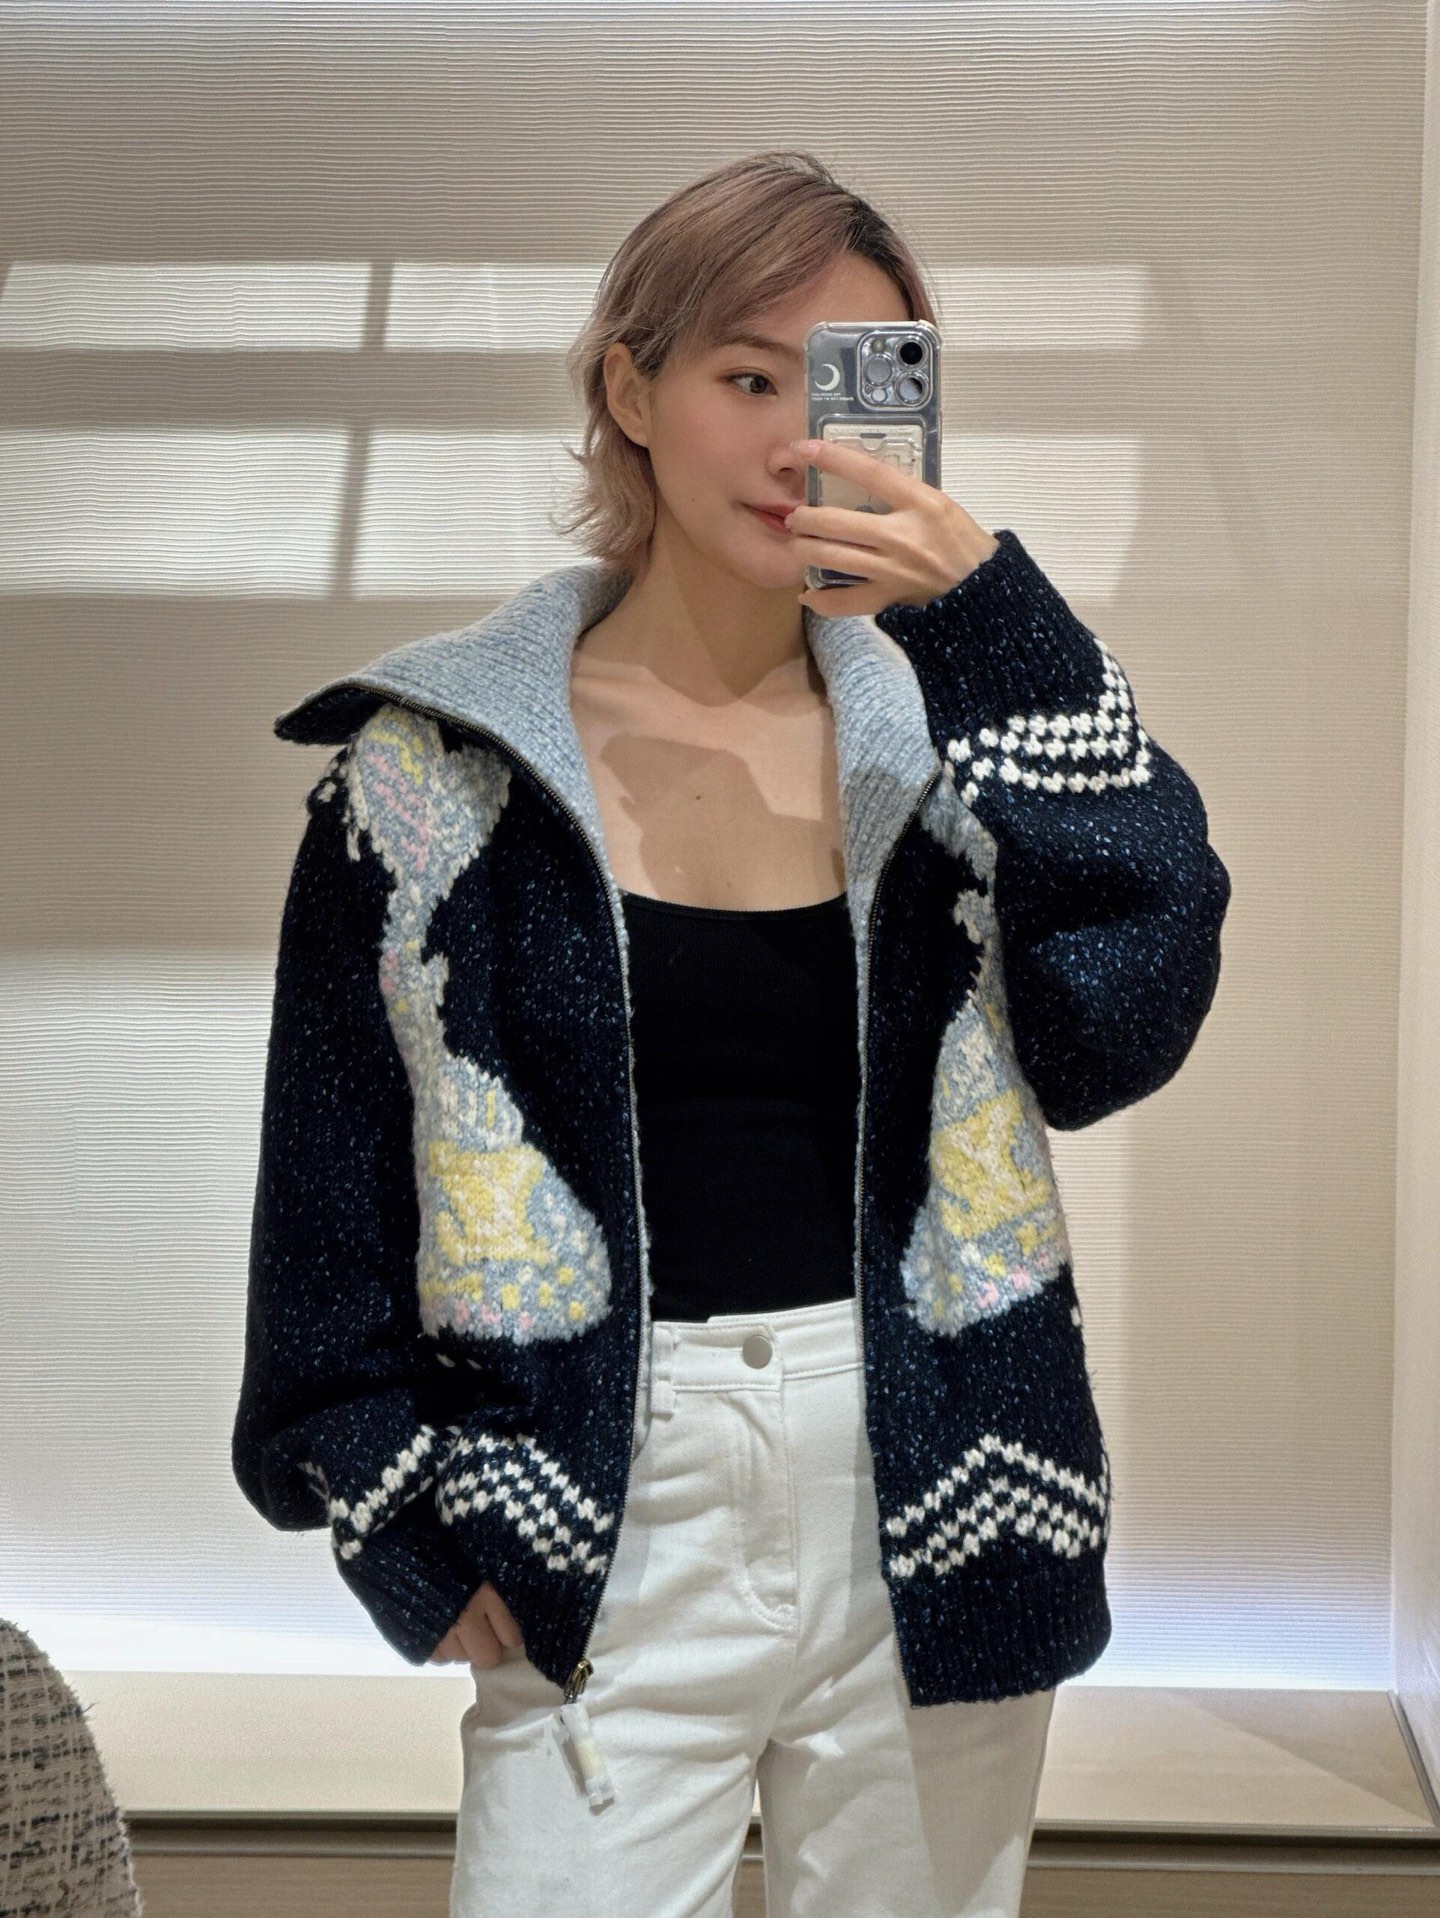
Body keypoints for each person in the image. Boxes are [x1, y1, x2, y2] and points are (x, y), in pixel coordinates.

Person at [233, 150, 1231, 1917]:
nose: (794, 444)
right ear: (631, 389)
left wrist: (997, 622)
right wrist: (393, 1506)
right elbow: (330, 1179)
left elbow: (1120, 1028)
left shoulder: (957, 752)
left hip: (939, 1471)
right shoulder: (429, 775)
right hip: (597, 1497)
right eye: (747, 377)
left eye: (847, 388)